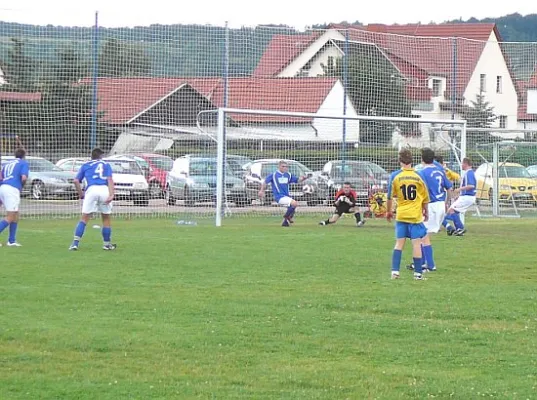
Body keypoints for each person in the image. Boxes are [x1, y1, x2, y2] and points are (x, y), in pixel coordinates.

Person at [386, 148, 430, 280]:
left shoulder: (395, 176)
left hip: (401, 215)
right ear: (412, 161)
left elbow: (389, 197)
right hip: (415, 216)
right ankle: (417, 274)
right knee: (416, 243)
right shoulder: (419, 176)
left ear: (400, 161)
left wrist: (388, 211)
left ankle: (395, 272)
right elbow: (425, 197)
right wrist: (425, 210)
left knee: (399, 243)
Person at [69, 148, 116, 251]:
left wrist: (81, 194)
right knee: (106, 218)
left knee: (84, 218)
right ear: (101, 156)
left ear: (92, 156)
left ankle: (75, 244)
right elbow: (109, 180)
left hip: (91, 189)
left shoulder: (86, 165)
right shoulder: (106, 165)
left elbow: (76, 181)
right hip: (104, 190)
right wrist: (112, 194)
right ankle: (106, 244)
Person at [414, 148, 453, 271]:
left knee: (422, 235)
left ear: (422, 159)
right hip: (440, 204)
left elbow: (421, 191)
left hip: (430, 205)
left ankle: (429, 265)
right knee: (424, 235)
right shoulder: (440, 171)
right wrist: (447, 203)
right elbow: (449, 188)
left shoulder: (422, 173)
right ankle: (422, 263)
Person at [258, 160, 310, 227]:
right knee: (294, 203)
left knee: (292, 208)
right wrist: (261, 190)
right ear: (279, 167)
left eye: (286, 167)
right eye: (283, 166)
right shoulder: (274, 175)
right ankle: (286, 217)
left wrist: (304, 178)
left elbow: (297, 180)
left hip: (286, 196)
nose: (285, 168)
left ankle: (285, 223)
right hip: (279, 196)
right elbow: (265, 182)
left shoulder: (288, 175)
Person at [0, 148, 29, 247]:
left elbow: (1, 177)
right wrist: (21, 186)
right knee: (11, 216)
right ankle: (11, 240)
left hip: (3, 187)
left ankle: (11, 241)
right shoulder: (23, 163)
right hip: (12, 189)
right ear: (24, 156)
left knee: (16, 215)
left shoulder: (7, 164)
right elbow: (24, 177)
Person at [445, 157, 476, 236]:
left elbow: (471, 185)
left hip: (468, 197)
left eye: (462, 163)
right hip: (466, 196)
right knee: (452, 211)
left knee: (451, 210)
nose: (461, 165)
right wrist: (459, 195)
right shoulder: (468, 173)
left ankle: (460, 228)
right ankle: (458, 228)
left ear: (465, 164)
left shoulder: (469, 173)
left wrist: (459, 189)